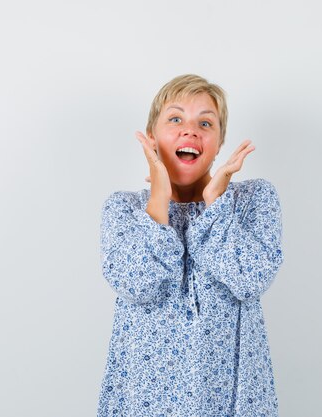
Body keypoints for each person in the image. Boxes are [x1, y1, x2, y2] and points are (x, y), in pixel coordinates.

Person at [96, 74, 284, 416]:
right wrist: (159, 198)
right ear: (151, 137)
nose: (190, 130)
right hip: (145, 401)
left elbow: (250, 279)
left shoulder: (253, 200)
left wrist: (216, 202)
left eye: (206, 123)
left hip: (231, 400)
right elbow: (136, 284)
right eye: (176, 118)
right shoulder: (124, 210)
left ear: (219, 141)